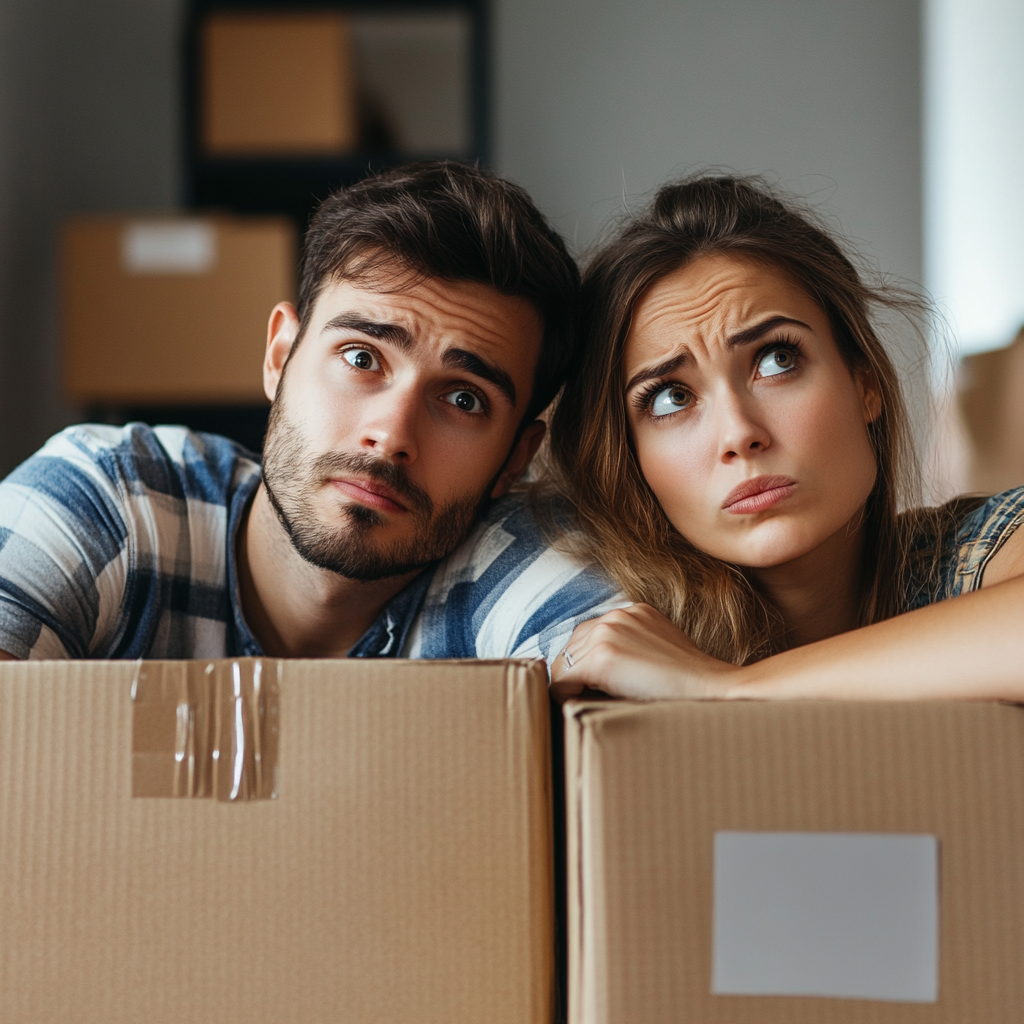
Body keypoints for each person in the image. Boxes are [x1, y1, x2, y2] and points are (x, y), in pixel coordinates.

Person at [0, 161, 623, 663]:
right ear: (279, 356)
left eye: (463, 398)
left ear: (516, 456)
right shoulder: (110, 498)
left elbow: (606, 660)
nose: (390, 435)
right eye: (360, 358)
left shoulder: (511, 556)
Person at [548, 174, 1024, 701]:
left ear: (864, 384)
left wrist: (726, 687)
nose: (739, 434)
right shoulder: (608, 622)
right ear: (631, 459)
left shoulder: (972, 552)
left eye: (777, 361)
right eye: (671, 398)